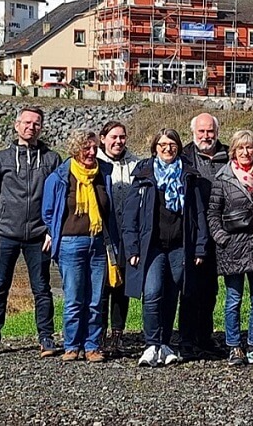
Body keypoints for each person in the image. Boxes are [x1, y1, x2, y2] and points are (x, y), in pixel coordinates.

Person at [0, 107, 61, 357]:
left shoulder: (51, 159)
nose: (30, 127)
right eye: (26, 122)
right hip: (5, 235)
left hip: (39, 236)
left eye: (36, 123)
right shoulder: (0, 159)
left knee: (42, 289)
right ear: (16, 125)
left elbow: (59, 198)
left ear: (41, 128)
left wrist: (52, 231)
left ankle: (46, 338)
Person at [122, 129, 209, 367]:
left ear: (179, 147)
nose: (167, 148)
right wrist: (132, 249)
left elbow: (198, 214)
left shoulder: (189, 176)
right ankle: (152, 343)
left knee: (172, 296)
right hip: (152, 247)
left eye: (171, 144)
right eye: (162, 144)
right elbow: (130, 216)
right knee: (152, 293)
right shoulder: (144, 175)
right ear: (154, 147)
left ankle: (166, 343)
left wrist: (200, 248)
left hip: (180, 247)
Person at [43, 129, 118, 362]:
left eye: (95, 148)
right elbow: (47, 212)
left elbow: (109, 209)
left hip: (98, 243)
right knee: (74, 298)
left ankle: (93, 345)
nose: (92, 152)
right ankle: (72, 345)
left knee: (96, 299)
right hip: (70, 243)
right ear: (76, 149)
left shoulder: (103, 173)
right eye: (86, 148)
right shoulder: (60, 176)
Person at [207, 130, 253, 367]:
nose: (246, 152)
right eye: (241, 148)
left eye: (250, 148)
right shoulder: (223, 179)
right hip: (232, 248)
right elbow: (213, 213)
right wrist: (221, 238)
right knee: (233, 299)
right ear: (233, 151)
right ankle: (234, 346)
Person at [180, 112, 229, 357]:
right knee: (190, 288)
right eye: (201, 131)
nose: (206, 136)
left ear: (217, 132)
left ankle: (205, 336)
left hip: (221, 232)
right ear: (193, 133)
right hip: (192, 232)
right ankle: (187, 339)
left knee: (210, 290)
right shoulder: (184, 157)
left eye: (210, 131)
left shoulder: (229, 156)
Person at [97, 120, 139, 354]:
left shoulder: (136, 164)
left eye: (122, 137)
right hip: (103, 235)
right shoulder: (95, 163)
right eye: (113, 137)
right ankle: (99, 334)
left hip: (128, 236)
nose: (118, 141)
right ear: (103, 138)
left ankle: (118, 335)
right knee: (102, 286)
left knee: (122, 288)